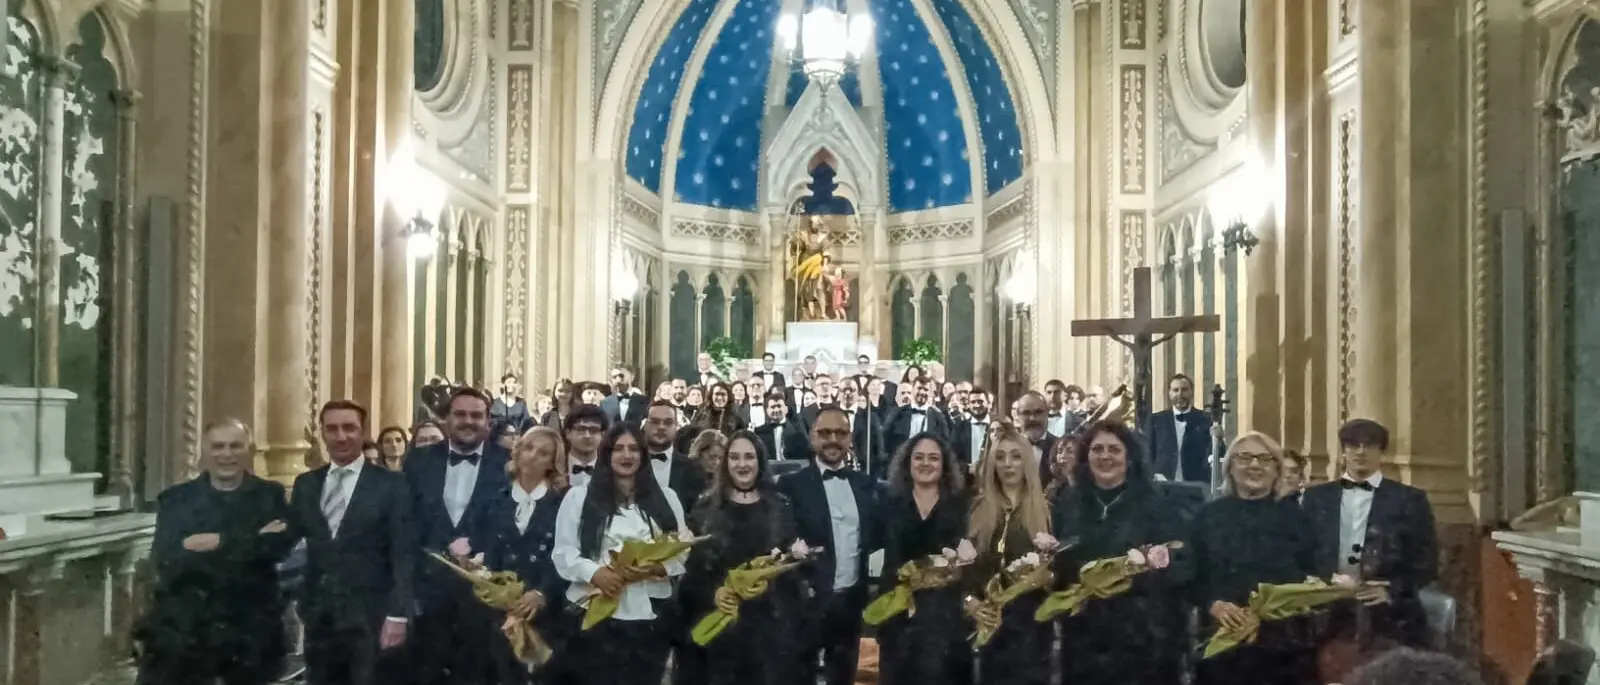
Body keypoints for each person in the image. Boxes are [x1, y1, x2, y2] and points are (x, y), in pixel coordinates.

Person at [137, 419, 298, 685]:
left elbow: (276, 549)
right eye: (218, 446)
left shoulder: (269, 495)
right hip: (188, 631)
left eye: (235, 446)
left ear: (248, 449)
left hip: (251, 631)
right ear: (204, 450)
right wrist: (251, 541)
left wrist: (218, 541)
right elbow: (167, 559)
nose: (226, 454)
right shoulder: (176, 499)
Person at [1052, 421, 1191, 685]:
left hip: (1143, 639)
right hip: (1085, 638)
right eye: (1097, 449)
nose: (1105, 456)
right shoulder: (1068, 504)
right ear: (1086, 457)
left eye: (1114, 449)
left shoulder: (1157, 506)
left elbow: (1181, 566)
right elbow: (1060, 566)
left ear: (1129, 458)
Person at [551, 424, 690, 685]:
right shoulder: (579, 497)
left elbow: (683, 550)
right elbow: (563, 551)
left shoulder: (667, 498)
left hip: (652, 614)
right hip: (594, 610)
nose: (627, 456)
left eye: (634, 449)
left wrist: (654, 569)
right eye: (619, 449)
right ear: (606, 454)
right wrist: (595, 573)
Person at [291, 400, 416, 685]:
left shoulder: (392, 485)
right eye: (332, 429)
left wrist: (398, 613)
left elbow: (403, 552)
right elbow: (295, 539)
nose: (341, 436)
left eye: (349, 428)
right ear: (322, 433)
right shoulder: (306, 484)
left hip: (371, 616)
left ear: (363, 432)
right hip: (320, 616)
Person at [402, 387, 512, 685]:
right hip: (428, 596)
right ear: (445, 421)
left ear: (488, 422)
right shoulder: (418, 461)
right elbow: (407, 525)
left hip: (486, 599)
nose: (468, 421)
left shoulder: (509, 463)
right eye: (460, 414)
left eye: (476, 415)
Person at [1190, 432, 1318, 685]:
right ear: (1230, 467)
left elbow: (1312, 574)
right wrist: (1213, 605)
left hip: (1283, 646)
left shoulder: (1298, 519)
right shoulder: (1207, 517)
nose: (1255, 465)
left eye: (1265, 459)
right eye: (1244, 457)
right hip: (1222, 639)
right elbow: (1192, 575)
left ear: (1277, 469)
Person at [679, 430, 804, 685]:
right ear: (725, 463)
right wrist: (713, 593)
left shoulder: (781, 506)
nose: (742, 464)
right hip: (719, 628)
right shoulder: (704, 508)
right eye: (734, 457)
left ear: (760, 461)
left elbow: (791, 572)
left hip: (768, 630)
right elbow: (693, 573)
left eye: (749, 457)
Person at [1302, 418, 1438, 648]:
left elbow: (1427, 562)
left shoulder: (1409, 500)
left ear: (1381, 452)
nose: (1361, 451)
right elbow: (1302, 551)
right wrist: (1321, 583)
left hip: (1389, 615)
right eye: (1353, 445)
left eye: (1370, 445)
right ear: (1344, 451)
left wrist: (1391, 591)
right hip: (1326, 611)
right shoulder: (1316, 498)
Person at [777, 407, 881, 685]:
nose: (833, 439)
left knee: (843, 675)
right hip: (807, 600)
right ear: (812, 438)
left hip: (851, 600)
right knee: (798, 675)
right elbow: (782, 539)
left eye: (840, 433)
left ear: (850, 439)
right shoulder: (791, 485)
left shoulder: (866, 484)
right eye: (824, 433)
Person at [876, 433, 971, 685]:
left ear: (944, 465)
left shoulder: (962, 506)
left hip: (947, 619)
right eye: (918, 457)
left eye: (933, 458)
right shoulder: (889, 503)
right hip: (899, 617)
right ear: (908, 462)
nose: (925, 463)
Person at [966, 425, 1053, 685]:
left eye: (1015, 456)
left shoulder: (1048, 512)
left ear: (1026, 461)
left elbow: (1062, 576)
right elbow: (964, 572)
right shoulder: (976, 510)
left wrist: (1046, 578)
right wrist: (970, 602)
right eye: (1000, 457)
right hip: (988, 632)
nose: (1008, 464)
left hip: (1032, 633)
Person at [484, 427, 572, 685]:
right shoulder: (495, 499)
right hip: (501, 615)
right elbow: (488, 554)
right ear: (518, 450)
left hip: (548, 616)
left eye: (543, 453)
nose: (533, 456)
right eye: (529, 447)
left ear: (552, 463)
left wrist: (541, 594)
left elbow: (568, 555)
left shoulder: (563, 503)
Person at [1150, 374, 1214, 483]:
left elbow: (1215, 452)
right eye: (1175, 390)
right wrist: (1153, 474)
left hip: (1195, 484)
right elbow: (1148, 453)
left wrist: (1218, 437)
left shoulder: (1205, 420)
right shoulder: (1156, 420)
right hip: (1163, 484)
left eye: (1184, 390)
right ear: (1169, 394)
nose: (1180, 394)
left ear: (1191, 392)